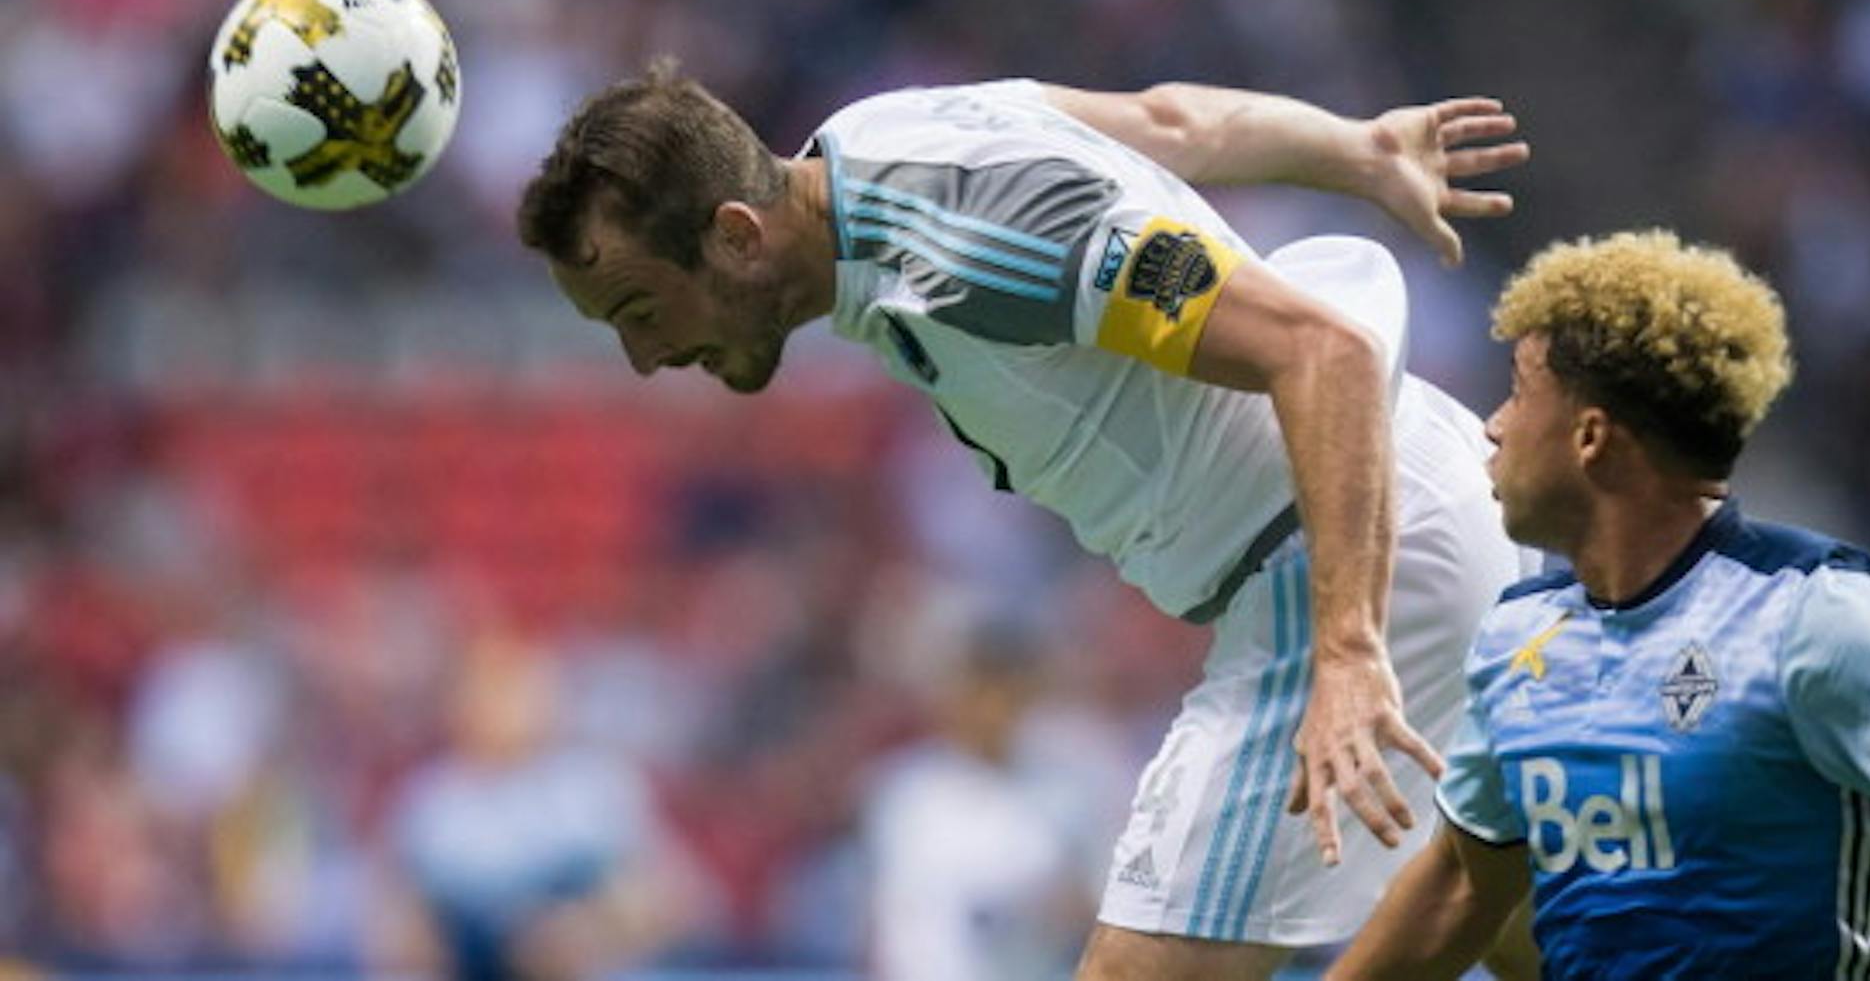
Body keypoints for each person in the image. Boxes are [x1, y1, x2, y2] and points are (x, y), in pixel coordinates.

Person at [517, 67, 1538, 980]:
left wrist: (1349, 650)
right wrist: (1356, 148)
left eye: (640, 310)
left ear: (738, 234)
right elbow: (1168, 122)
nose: (644, 360)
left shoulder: (972, 245)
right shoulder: (878, 137)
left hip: (1346, 556)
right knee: (1530, 934)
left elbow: (1324, 351)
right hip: (1418, 507)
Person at [1327, 231, 1870, 981]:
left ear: (1590, 436)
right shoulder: (1517, 637)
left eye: (1519, 392)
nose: (1494, 427)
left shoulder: (1820, 614)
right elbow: (1462, 888)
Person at [369, 635, 696, 981]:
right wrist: (422, 944)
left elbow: (670, 903)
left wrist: (589, 931)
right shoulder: (429, 802)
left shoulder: (594, 790)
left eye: (514, 691)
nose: (500, 708)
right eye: (486, 691)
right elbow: (394, 926)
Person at [860, 617, 1124, 981]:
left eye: (1001, 692)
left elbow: (1103, 912)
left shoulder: (1064, 795)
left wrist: (1055, 909)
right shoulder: (903, 792)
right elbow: (883, 918)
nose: (988, 708)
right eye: (975, 691)